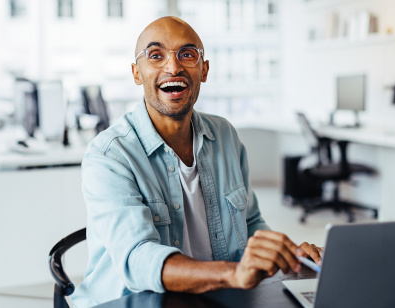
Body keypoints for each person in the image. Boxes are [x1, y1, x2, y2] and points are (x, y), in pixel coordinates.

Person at [71, 17, 323, 307]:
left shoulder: (225, 136)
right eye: (156, 55)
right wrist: (234, 273)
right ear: (136, 73)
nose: (173, 67)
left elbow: (251, 222)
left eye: (187, 55)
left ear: (204, 69)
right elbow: (138, 259)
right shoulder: (109, 156)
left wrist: (286, 254)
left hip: (214, 297)